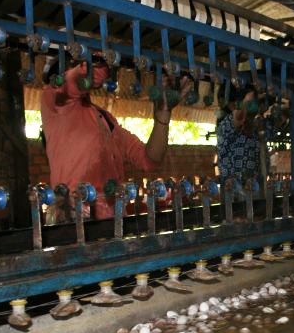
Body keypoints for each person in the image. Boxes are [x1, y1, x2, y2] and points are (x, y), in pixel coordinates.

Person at [41, 58, 191, 219]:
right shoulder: (54, 99)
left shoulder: (106, 119)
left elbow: (150, 159)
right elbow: (91, 74)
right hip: (73, 217)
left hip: (112, 219)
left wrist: (163, 113)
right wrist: (108, 54)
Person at [215, 85, 261, 183]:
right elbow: (238, 117)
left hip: (252, 186)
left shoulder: (254, 129)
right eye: (249, 103)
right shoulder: (226, 126)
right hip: (233, 188)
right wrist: (245, 104)